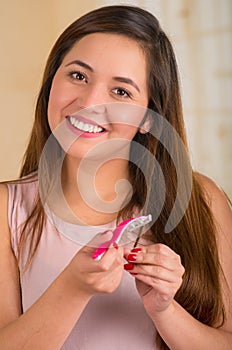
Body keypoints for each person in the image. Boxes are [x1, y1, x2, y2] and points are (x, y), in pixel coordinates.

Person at [0, 5, 231, 350]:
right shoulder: (7, 210)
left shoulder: (202, 201)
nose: (90, 102)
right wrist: (72, 289)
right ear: (51, 79)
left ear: (150, 117)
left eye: (121, 91)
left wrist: (164, 310)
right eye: (78, 75)